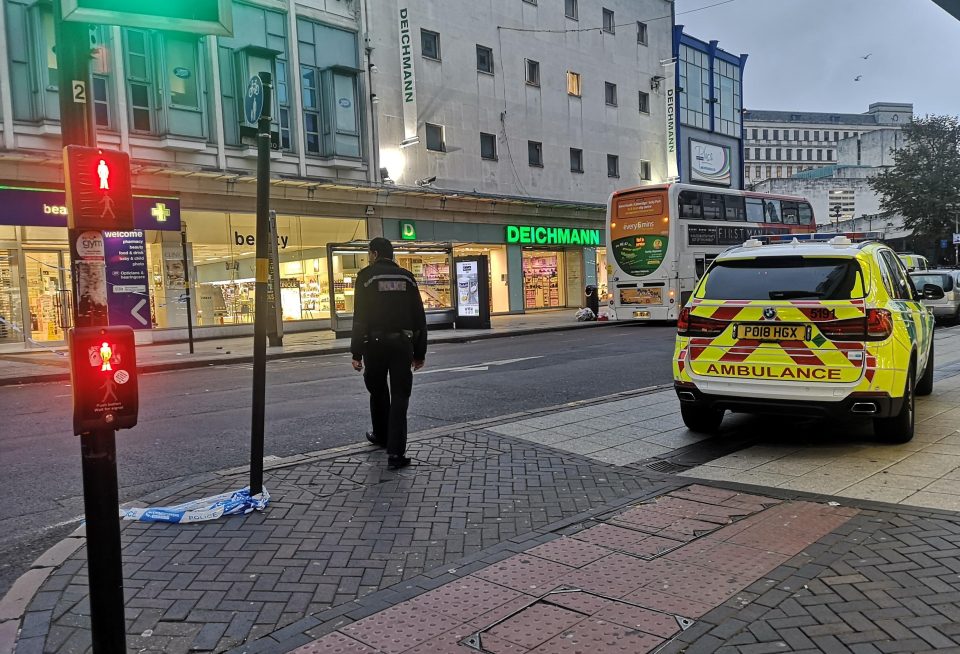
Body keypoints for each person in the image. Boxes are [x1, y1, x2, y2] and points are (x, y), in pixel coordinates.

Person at [351, 237, 427, 469]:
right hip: (402, 344)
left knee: (378, 391)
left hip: (374, 344)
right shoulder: (407, 277)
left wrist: (357, 352)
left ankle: (381, 435)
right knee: (400, 397)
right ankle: (396, 453)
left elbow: (360, 318)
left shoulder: (365, 277)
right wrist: (419, 352)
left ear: (374, 254)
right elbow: (418, 317)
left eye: (368, 253)